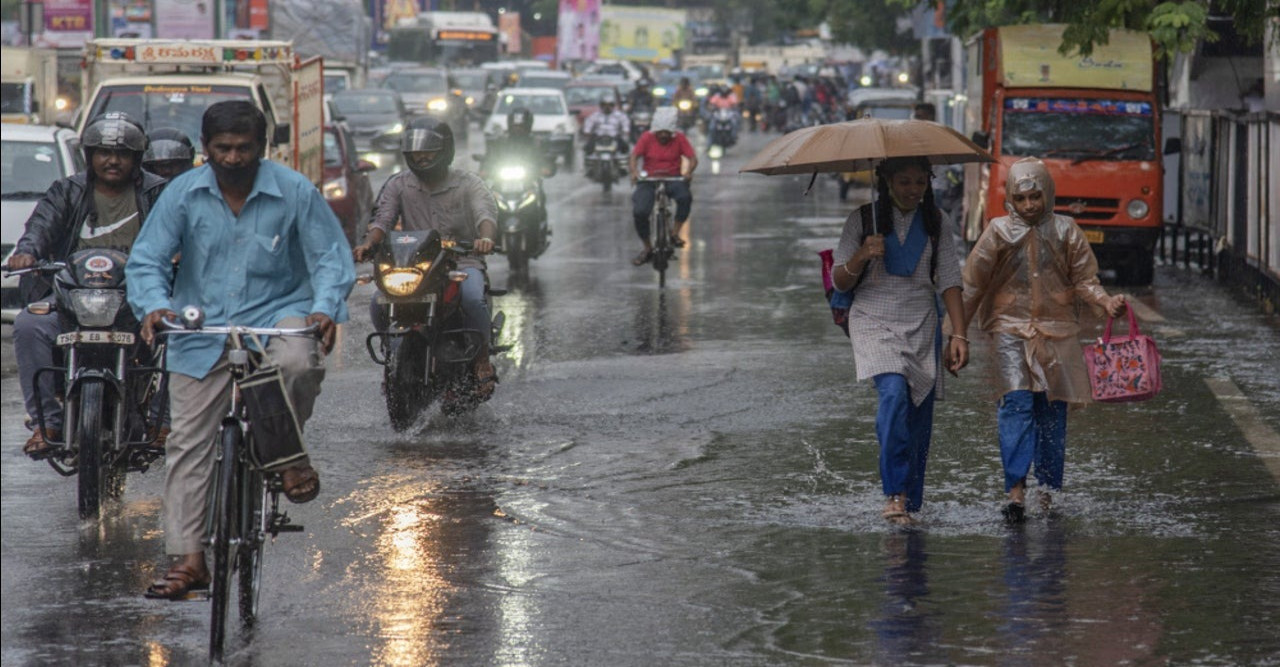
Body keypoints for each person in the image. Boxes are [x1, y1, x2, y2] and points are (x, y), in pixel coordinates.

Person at [126, 100, 355, 599]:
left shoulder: (294, 190)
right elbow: (146, 261)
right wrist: (153, 306)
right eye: (222, 148)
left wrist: (324, 308)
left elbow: (329, 258)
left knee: (297, 357)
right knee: (187, 444)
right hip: (200, 326)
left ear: (262, 148)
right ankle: (190, 560)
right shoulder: (183, 194)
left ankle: (280, 451)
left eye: (243, 148)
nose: (232, 158)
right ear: (205, 150)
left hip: (278, 314)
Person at [961, 157, 1127, 523]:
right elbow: (972, 285)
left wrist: (1105, 301)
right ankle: (1016, 490)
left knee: (1053, 411)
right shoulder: (997, 232)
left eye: (1035, 197)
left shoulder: (1067, 231)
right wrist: (955, 334)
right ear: (1010, 200)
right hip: (1010, 331)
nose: (1029, 205)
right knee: (1016, 405)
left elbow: (1085, 278)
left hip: (1058, 332)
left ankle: (1049, 491)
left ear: (1047, 194)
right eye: (1021, 199)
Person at [7, 112, 168, 458]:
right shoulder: (68, 190)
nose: (112, 160)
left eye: (123, 153)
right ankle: (46, 421)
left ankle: (161, 421)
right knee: (30, 324)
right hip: (72, 295)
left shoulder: (159, 192)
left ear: (136, 159)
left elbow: (178, 232)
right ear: (90, 155)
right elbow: (40, 227)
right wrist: (27, 252)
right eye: (103, 152)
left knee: (177, 330)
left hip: (139, 297)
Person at [830, 156, 969, 526]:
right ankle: (893, 494)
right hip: (873, 320)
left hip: (922, 321)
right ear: (887, 181)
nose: (912, 189)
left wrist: (959, 333)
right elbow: (840, 280)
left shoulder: (937, 222)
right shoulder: (862, 220)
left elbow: (951, 280)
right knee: (893, 395)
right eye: (904, 181)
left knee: (918, 413)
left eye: (920, 182)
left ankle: (910, 498)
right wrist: (862, 254)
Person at [352, 116, 499, 395]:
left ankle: (482, 362)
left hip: (461, 261)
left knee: (471, 299)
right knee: (377, 302)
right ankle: (393, 359)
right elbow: (382, 220)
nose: (421, 159)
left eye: (428, 152)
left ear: (444, 151)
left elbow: (485, 215)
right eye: (416, 153)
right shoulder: (398, 184)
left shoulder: (469, 184)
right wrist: (369, 244)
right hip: (415, 265)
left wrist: (486, 238)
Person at [627, 106, 697, 266]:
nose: (664, 136)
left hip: (673, 179)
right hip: (649, 180)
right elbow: (634, 156)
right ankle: (647, 248)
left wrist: (688, 172)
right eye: (661, 133)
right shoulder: (646, 138)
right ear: (655, 131)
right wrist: (634, 172)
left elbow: (692, 158)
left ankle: (674, 233)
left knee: (685, 197)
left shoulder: (679, 138)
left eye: (667, 133)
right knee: (640, 211)